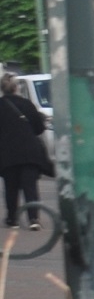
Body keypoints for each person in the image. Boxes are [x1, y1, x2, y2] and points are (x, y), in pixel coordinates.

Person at [0, 72, 47, 229]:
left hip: (7, 154)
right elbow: (39, 129)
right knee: (30, 187)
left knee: (10, 187)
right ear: (16, 87)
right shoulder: (27, 104)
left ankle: (12, 219)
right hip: (29, 152)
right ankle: (33, 219)